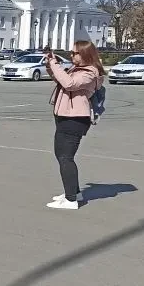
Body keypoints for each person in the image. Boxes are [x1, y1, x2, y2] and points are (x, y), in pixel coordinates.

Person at [45, 41, 105, 210]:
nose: (71, 55)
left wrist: (54, 63)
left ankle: (71, 200)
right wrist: (50, 65)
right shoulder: (77, 69)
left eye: (75, 53)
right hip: (65, 116)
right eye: (71, 53)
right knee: (61, 155)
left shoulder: (89, 73)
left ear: (86, 54)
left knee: (66, 157)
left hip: (75, 119)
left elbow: (69, 84)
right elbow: (60, 79)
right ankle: (74, 192)